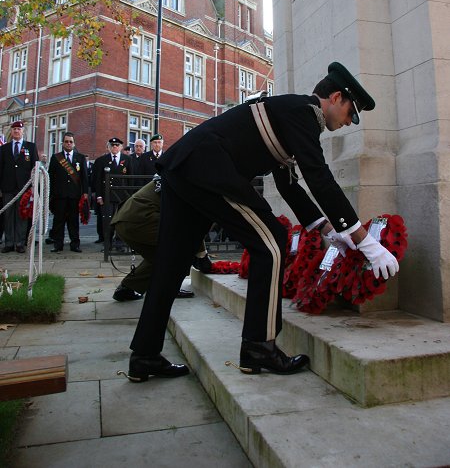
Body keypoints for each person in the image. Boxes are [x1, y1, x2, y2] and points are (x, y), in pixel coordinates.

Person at [125, 62, 399, 382]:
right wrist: (364, 240)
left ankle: (144, 355)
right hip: (209, 170)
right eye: (352, 111)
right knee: (272, 242)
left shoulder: (291, 113)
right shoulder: (304, 113)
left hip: (186, 169)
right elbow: (319, 177)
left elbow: (290, 185)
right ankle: (259, 346)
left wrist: (328, 230)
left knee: (171, 264)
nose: (350, 121)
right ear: (336, 97)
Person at [111, 176, 212, 301]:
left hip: (125, 220)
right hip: (142, 220)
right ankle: (169, 289)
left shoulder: (176, 174)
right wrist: (202, 255)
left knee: (159, 257)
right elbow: (191, 227)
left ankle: (126, 289)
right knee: (180, 250)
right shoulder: (191, 183)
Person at [0, 120, 39, 253]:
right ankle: (9, 242)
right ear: (11, 131)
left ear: (23, 131)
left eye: (19, 129)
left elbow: (35, 168)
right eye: (14, 129)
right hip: (8, 187)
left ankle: (20, 243)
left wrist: (34, 187)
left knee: (22, 215)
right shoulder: (4, 148)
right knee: (8, 215)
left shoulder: (31, 147)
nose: (16, 131)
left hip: (24, 188)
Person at [47, 132, 89, 253]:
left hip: (74, 195)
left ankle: (75, 244)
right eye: (66, 141)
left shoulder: (80, 158)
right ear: (63, 143)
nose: (68, 144)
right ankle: (57, 244)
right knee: (58, 221)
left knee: (73, 221)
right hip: (59, 196)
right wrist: (51, 194)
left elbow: (84, 177)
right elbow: (51, 177)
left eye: (71, 142)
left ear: (74, 143)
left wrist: (85, 193)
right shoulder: (56, 158)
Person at [95, 137, 133, 252]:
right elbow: (98, 179)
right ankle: (108, 244)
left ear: (121, 147)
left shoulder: (127, 160)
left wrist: (130, 196)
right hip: (107, 196)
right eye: (112, 145)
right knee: (107, 221)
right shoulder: (102, 160)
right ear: (109, 147)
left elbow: (130, 179)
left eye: (117, 145)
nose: (114, 147)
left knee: (121, 221)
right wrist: (99, 196)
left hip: (122, 196)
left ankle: (120, 244)